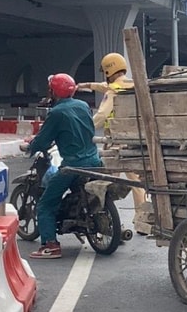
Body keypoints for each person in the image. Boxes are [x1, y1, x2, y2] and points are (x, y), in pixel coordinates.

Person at [25, 73, 102, 259]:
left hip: (73, 166)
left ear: (53, 92)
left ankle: (50, 245)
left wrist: (29, 147)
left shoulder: (56, 113)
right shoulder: (83, 106)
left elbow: (43, 140)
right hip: (95, 161)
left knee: (46, 204)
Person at [77, 53, 149, 234]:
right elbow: (105, 86)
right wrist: (86, 86)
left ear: (109, 70)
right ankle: (142, 222)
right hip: (135, 142)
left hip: (116, 143)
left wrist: (85, 129)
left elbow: (101, 116)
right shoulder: (132, 85)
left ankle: (105, 217)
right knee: (137, 183)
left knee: (104, 180)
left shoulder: (112, 92)